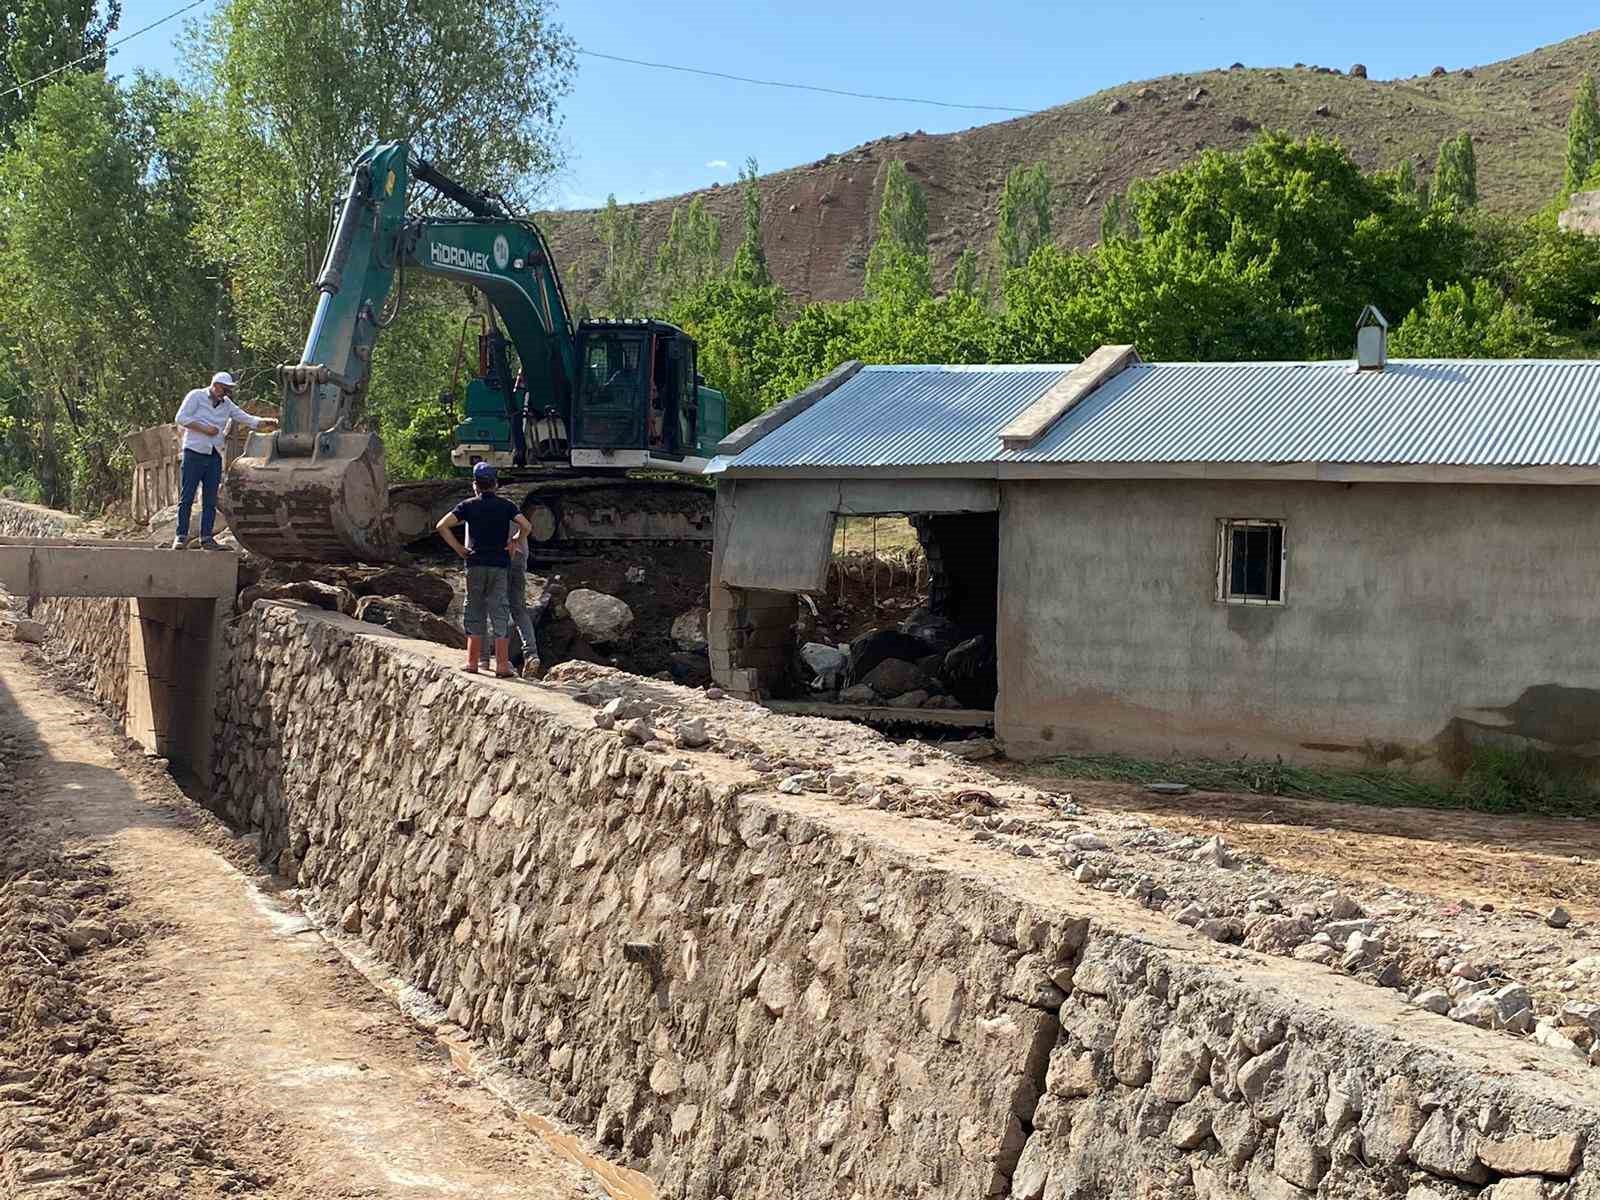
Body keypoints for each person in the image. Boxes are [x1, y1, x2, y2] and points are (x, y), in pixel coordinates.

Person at [435, 462, 530, 677]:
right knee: (500, 611)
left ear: (475, 485)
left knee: (475, 610)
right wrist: (515, 540)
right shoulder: (506, 506)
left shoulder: (467, 505)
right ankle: (503, 666)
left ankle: (472, 663)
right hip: (500, 565)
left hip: (475, 564)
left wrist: (459, 548)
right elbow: (527, 526)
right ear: (495, 484)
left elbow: (442, 525)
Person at [172, 372, 277, 550]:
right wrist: (205, 429)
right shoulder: (196, 396)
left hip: (213, 455)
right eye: (224, 388)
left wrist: (265, 422)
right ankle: (181, 536)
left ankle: (206, 538)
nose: (225, 392)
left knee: (210, 499)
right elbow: (181, 418)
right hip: (194, 452)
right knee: (187, 496)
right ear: (215, 385)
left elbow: (244, 417)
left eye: (228, 389)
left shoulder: (226, 404)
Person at [505, 505, 542, 679]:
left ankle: (500, 658)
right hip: (519, 559)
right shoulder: (510, 507)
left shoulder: (477, 505)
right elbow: (526, 528)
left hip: (499, 560)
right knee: (519, 610)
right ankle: (531, 654)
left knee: (498, 608)